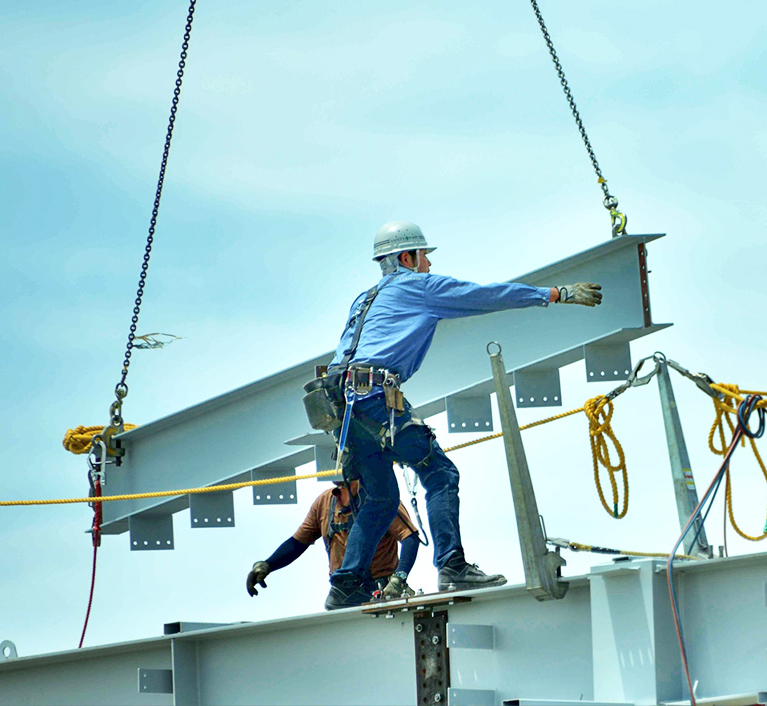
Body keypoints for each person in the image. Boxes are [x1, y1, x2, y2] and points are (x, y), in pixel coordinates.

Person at [322, 220, 603, 610]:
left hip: (344, 408)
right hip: (372, 400)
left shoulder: (364, 300)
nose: (429, 266)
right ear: (406, 257)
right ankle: (451, 566)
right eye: (424, 258)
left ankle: (344, 585)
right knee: (440, 474)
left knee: (382, 497)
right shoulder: (418, 287)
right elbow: (485, 295)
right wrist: (555, 294)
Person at [245, 480, 421, 604]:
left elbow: (410, 537)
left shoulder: (380, 499)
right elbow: (298, 542)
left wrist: (399, 578)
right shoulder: (325, 502)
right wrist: (267, 565)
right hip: (343, 592)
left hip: (381, 590)